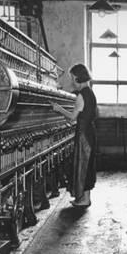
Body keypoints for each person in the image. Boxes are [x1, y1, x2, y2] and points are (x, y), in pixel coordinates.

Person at [51, 64, 97, 208]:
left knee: (82, 165)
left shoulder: (82, 95)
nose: (72, 81)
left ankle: (83, 200)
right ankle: (85, 199)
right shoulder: (91, 93)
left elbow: (72, 117)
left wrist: (59, 109)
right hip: (90, 132)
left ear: (78, 77)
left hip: (83, 134)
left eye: (72, 78)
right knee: (87, 166)